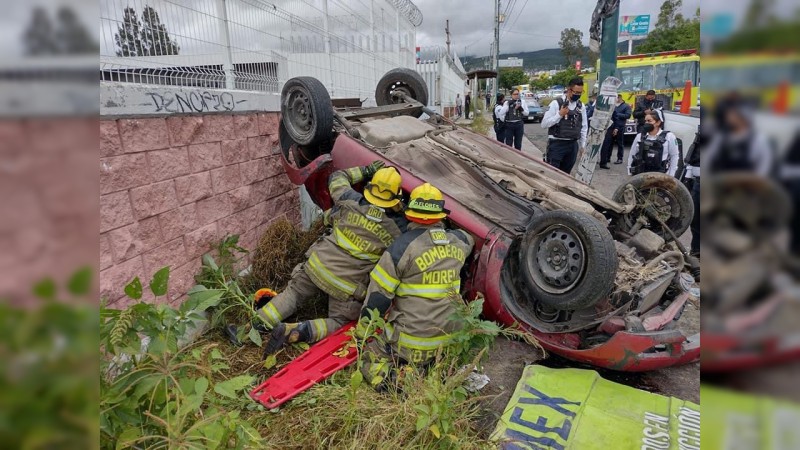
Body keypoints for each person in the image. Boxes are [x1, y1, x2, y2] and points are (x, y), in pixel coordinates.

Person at [260, 161, 409, 355]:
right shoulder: (399, 229)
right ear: (396, 198)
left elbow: (337, 178)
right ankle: (295, 331)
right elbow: (416, 233)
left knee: (293, 295)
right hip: (345, 287)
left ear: (370, 187)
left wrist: (365, 170)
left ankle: (251, 328)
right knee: (339, 323)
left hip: (316, 266)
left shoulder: (349, 200)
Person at [356, 182, 475, 391]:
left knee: (367, 359)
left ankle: (395, 383)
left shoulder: (400, 249)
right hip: (449, 341)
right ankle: (430, 371)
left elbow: (378, 298)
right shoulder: (461, 243)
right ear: (440, 216)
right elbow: (470, 238)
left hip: (410, 344)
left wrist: (362, 333)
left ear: (409, 215)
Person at [706, 106, 774, 176]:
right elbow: (710, 158)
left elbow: (764, 164)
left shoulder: (757, 139)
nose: (729, 118)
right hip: (720, 181)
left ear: (743, 119)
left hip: (747, 183)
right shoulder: (721, 137)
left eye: (734, 115)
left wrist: (756, 182)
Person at [541, 77, 588, 173]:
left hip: (572, 145)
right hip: (557, 144)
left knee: (566, 175)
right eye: (576, 92)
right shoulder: (556, 103)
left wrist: (583, 146)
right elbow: (544, 124)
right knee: (553, 174)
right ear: (569, 90)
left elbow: (583, 127)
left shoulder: (581, 106)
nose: (578, 95)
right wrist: (559, 115)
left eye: (580, 92)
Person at [627, 110, 680, 177]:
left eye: (649, 121)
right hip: (642, 175)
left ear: (658, 122)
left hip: (662, 175)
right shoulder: (640, 136)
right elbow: (632, 154)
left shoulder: (669, 136)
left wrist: (672, 175)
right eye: (645, 121)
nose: (646, 123)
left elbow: (674, 156)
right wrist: (630, 171)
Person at [599, 94, 631, 168]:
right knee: (608, 144)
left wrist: (616, 126)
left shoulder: (625, 106)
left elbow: (626, 115)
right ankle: (606, 158)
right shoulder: (609, 105)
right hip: (608, 128)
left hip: (619, 127)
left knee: (620, 143)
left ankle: (619, 158)